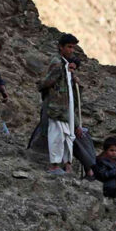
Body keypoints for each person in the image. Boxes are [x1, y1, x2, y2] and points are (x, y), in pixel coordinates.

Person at [39, 33, 83, 175]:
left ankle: (66, 165)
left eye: (73, 48)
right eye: (69, 47)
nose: (71, 50)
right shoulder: (57, 63)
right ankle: (54, 166)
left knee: (67, 136)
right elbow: (48, 81)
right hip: (57, 106)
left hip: (66, 107)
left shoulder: (66, 64)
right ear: (61, 47)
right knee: (57, 135)